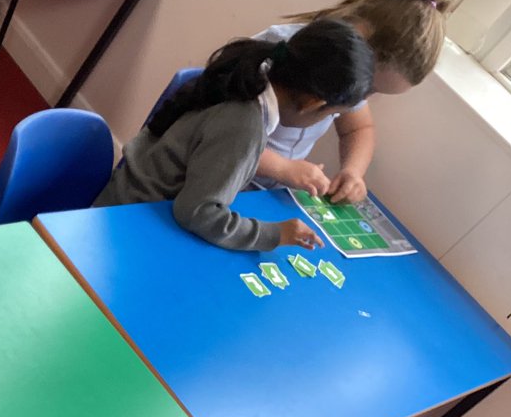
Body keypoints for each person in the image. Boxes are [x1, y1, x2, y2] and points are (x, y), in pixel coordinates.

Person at [94, 19, 373, 252]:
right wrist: (276, 234)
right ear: (313, 102)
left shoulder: (252, 72)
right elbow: (197, 213)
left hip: (133, 203)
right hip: (130, 225)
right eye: (331, 114)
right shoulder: (245, 125)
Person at [253, 0, 452, 202]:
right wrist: (281, 168)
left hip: (267, 191)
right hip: (224, 173)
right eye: (369, 86)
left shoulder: (350, 79)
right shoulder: (279, 52)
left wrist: (353, 172)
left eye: (374, 93)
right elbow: (216, 130)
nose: (363, 98)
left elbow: (359, 128)